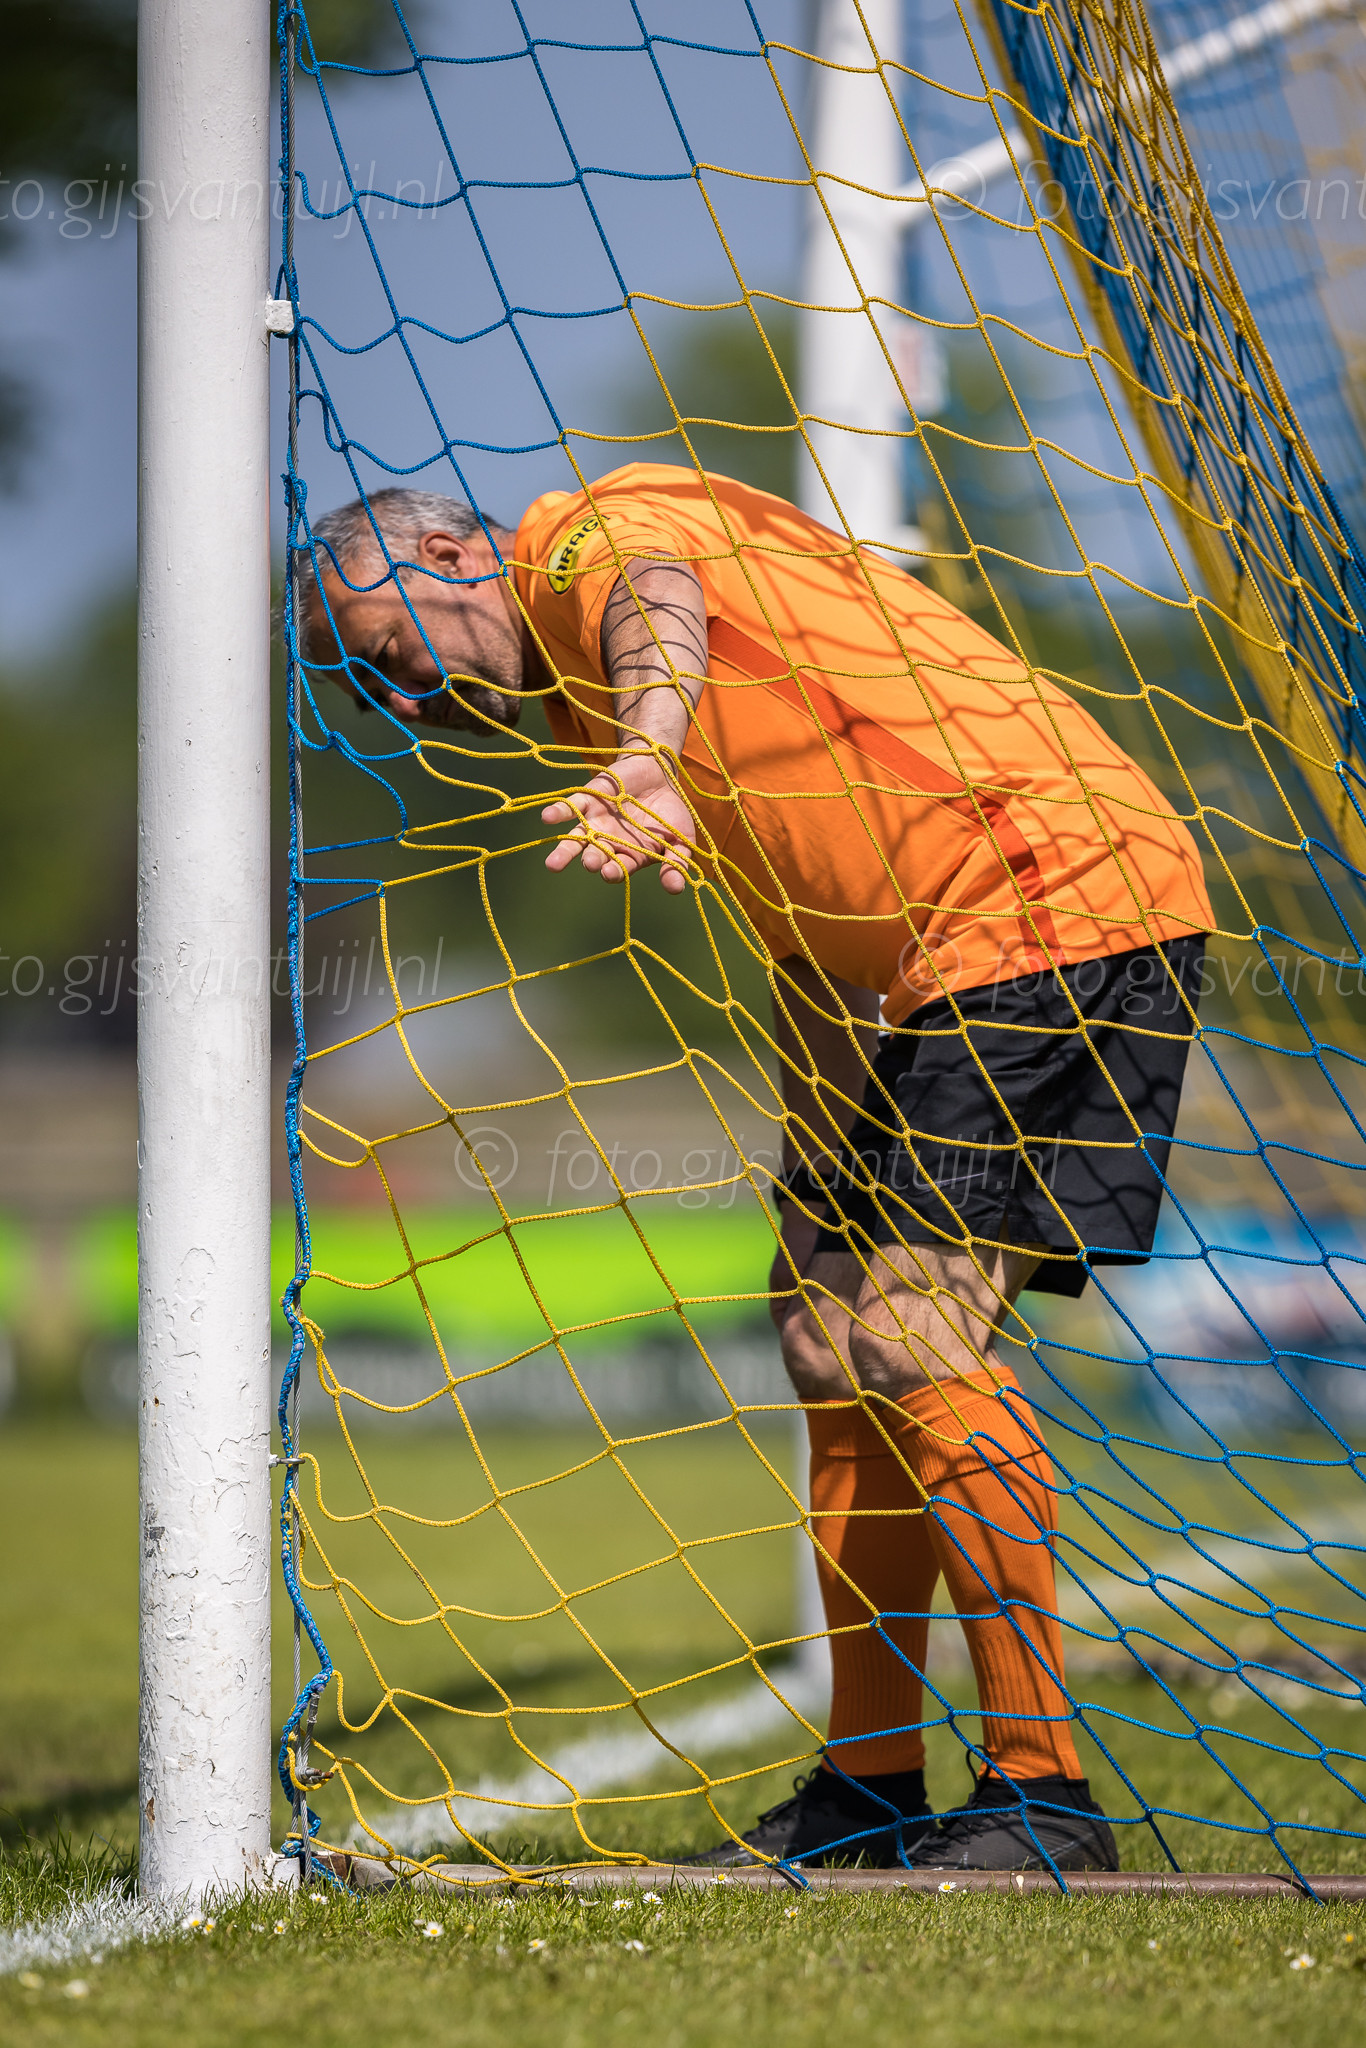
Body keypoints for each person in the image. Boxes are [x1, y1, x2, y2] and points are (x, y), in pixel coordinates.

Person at [298, 463, 1213, 1872]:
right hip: (947, 956)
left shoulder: (592, 537)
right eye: (370, 694)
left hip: (1048, 895)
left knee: (915, 1335)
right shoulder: (589, 710)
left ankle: (1045, 1800)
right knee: (824, 1333)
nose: (403, 705)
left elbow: (654, 599)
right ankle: (868, 1794)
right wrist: (815, 1181)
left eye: (390, 658)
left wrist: (653, 750)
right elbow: (808, 939)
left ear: (448, 553)